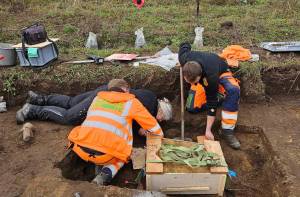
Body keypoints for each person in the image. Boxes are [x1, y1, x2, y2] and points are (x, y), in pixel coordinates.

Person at [67, 79, 163, 185]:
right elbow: (155, 129)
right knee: (123, 155)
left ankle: (96, 166)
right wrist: (158, 142)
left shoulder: (97, 99)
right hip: (105, 156)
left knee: (98, 141)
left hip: (80, 148)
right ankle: (105, 174)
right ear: (126, 90)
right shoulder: (132, 103)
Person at [16, 84, 172, 135]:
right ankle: (32, 110)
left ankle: (38, 98)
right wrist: (146, 131)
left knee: (71, 101)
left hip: (106, 89)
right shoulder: (149, 109)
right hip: (104, 99)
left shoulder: (151, 95)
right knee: (70, 117)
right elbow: (137, 126)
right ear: (161, 110)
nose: (160, 120)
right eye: (162, 118)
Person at [179, 42, 241, 149]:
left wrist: (208, 130)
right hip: (201, 75)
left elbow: (211, 103)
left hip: (220, 71)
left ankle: (227, 130)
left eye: (194, 82)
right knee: (192, 108)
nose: (191, 84)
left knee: (234, 90)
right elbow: (184, 44)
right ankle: (219, 96)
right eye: (189, 82)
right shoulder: (184, 58)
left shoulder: (210, 77)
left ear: (200, 76)